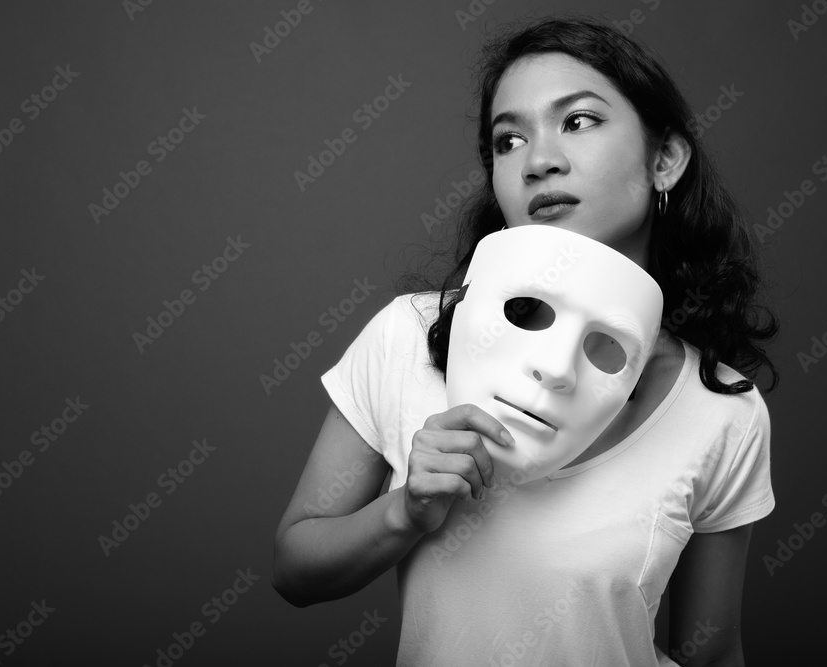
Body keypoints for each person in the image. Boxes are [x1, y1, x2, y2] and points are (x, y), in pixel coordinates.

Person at [272, 15, 779, 667]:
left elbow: (710, 651)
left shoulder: (722, 409)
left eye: (578, 121)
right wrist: (407, 511)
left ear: (665, 159)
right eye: (508, 139)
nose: (538, 160)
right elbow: (294, 567)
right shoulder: (411, 337)